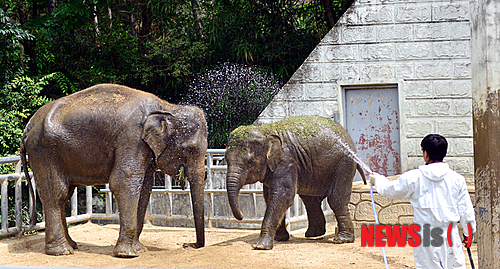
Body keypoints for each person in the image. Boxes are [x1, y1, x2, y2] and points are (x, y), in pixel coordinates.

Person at [369, 134, 476, 269]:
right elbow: (466, 210)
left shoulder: (413, 177)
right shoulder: (457, 179)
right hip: (450, 234)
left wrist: (378, 180)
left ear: (425, 154)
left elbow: (391, 189)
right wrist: (469, 233)